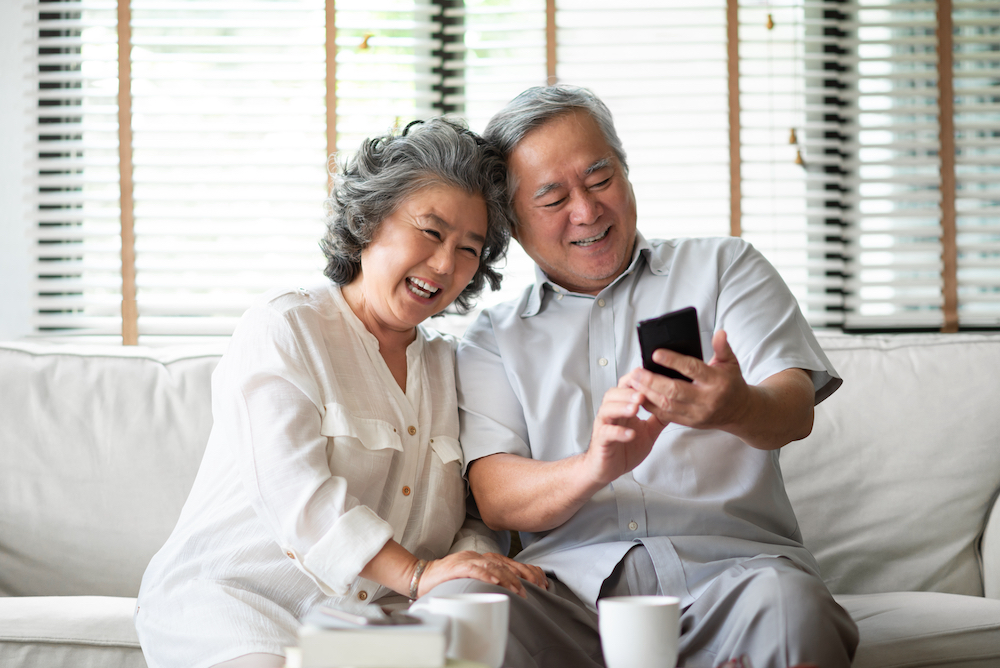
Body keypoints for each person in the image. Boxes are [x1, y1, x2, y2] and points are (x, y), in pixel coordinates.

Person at [448, 86, 860, 667]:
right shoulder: (492, 336)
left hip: (736, 582)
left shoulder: (725, 268)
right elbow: (496, 497)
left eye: (599, 179)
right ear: (513, 223)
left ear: (625, 172)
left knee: (793, 608)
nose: (587, 211)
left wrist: (735, 406)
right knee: (463, 607)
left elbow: (794, 408)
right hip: (569, 600)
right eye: (552, 198)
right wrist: (594, 467)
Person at [134, 118, 546, 668]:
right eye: (431, 231)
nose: (446, 265)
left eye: (470, 249)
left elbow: (473, 517)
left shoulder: (454, 365)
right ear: (370, 219)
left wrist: (472, 570)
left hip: (374, 622)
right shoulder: (286, 327)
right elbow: (295, 494)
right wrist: (418, 574)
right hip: (238, 602)